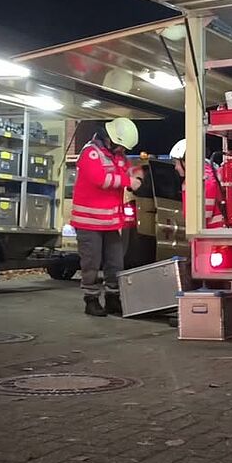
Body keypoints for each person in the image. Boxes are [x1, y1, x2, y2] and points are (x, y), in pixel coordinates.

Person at [72, 118, 143, 317]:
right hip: (89, 222)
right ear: (111, 138)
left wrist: (137, 173)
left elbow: (128, 169)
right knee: (91, 263)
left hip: (110, 223)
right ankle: (91, 299)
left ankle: (113, 298)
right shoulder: (90, 153)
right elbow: (101, 179)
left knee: (115, 263)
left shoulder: (117, 155)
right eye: (121, 145)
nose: (122, 149)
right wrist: (129, 180)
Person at [170, 139, 225, 228]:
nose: (176, 167)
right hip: (210, 231)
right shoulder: (199, 176)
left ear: (186, 160)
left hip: (212, 232)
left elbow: (200, 217)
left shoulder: (203, 176)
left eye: (176, 163)